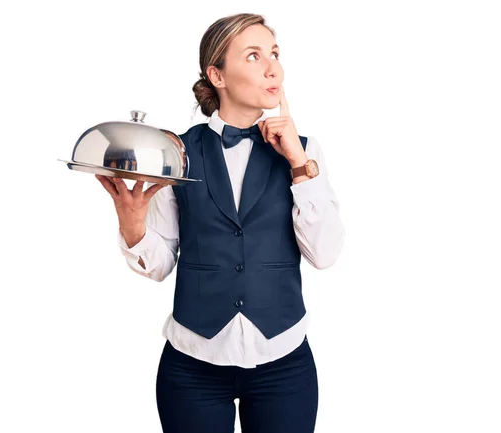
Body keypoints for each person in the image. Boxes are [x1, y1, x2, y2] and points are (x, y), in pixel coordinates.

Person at [95, 12, 345, 433]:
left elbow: (325, 255)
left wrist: (299, 165)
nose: (273, 68)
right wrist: (132, 224)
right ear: (218, 75)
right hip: (193, 367)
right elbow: (158, 266)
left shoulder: (305, 151)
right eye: (253, 56)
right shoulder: (177, 152)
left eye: (275, 54)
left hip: (283, 362)